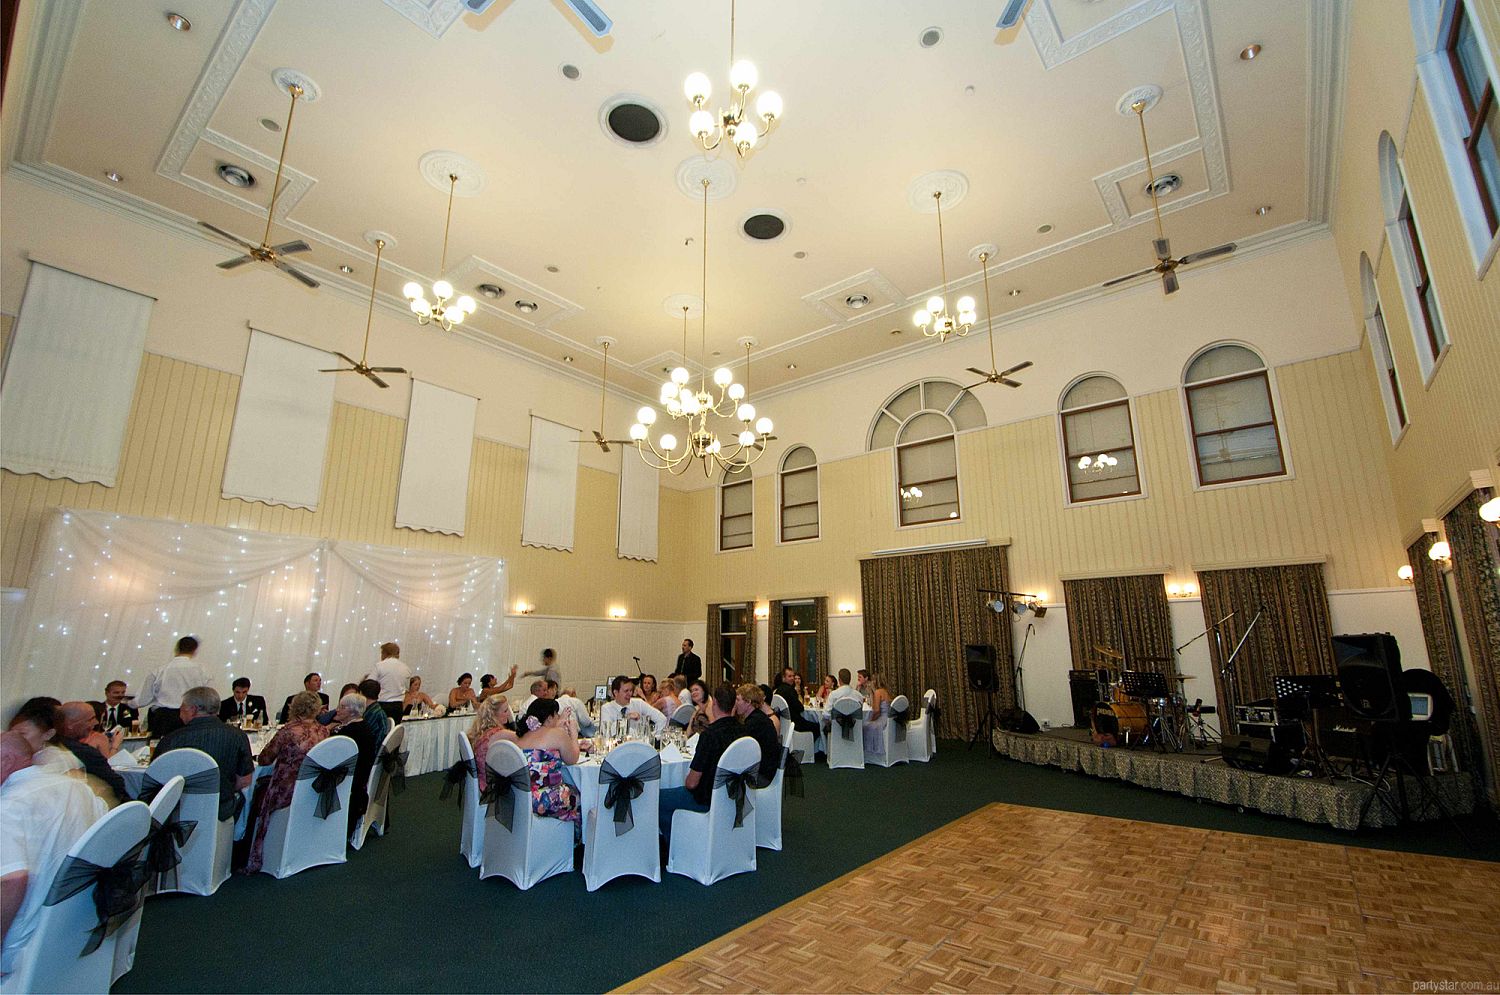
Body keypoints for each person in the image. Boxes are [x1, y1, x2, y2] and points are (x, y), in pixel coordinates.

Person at [0, 739, 107, 976]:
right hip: (76, 918)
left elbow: (13, 881)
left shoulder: (8, 806)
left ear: (6, 761)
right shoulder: (77, 787)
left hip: (23, 936)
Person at [246, 692, 329, 874]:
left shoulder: (288, 731)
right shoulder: (323, 731)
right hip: (314, 787)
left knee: (256, 792)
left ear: (295, 707)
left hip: (286, 790)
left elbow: (265, 760)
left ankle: (251, 850)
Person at [658, 684, 751, 837]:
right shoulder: (745, 732)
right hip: (734, 794)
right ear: (733, 705)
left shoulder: (710, 736)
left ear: (714, 703)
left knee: (658, 799)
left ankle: (675, 845)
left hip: (707, 799)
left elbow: (692, 783)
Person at [158, 685, 253, 822]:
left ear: (193, 710)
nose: (180, 714)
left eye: (181, 709)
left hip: (180, 812)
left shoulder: (171, 740)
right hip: (221, 810)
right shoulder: (237, 736)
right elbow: (245, 780)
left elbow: (158, 779)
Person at [513, 698, 580, 823]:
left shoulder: (522, 737)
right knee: (581, 794)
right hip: (545, 799)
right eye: (556, 715)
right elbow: (572, 759)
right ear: (549, 718)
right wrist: (574, 735)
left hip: (521, 798)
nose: (558, 718)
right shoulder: (557, 734)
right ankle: (576, 838)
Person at [138, 635, 214, 738]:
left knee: (163, 750)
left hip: (164, 718)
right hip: (191, 716)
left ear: (177, 649)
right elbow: (209, 697)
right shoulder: (202, 671)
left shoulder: (160, 670)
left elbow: (143, 699)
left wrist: (128, 702)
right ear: (194, 650)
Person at [56, 701, 129, 805]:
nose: (96, 723)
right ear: (70, 725)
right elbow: (116, 783)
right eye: (90, 719)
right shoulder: (84, 752)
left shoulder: (51, 745)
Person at [327, 693, 379, 837]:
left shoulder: (349, 732)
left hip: (349, 779)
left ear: (352, 711)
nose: (337, 710)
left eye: (342, 707)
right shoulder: (363, 727)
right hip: (359, 776)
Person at [467, 696, 517, 792]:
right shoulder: (499, 733)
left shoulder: (481, 731)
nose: (508, 714)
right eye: (505, 711)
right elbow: (524, 740)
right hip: (492, 784)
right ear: (494, 714)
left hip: (482, 777)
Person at [736, 684, 783, 785]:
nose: (735, 703)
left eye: (738, 700)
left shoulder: (754, 723)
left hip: (762, 775)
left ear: (748, 702)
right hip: (767, 769)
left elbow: (739, 747)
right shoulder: (758, 717)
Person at [599, 676, 667, 733]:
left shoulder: (639, 703)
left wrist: (653, 737)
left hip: (638, 745)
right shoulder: (606, 708)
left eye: (631, 690)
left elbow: (662, 719)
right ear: (616, 692)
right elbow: (606, 731)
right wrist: (626, 719)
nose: (630, 694)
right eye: (626, 691)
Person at [366, 642, 412, 724]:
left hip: (382, 704)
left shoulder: (380, 666)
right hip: (398, 706)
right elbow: (406, 688)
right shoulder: (406, 668)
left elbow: (369, 685)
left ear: (385, 653)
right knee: (393, 731)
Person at [772, 667, 819, 738]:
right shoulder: (790, 690)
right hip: (795, 724)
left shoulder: (778, 690)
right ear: (784, 678)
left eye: (793, 676)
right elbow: (800, 708)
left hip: (782, 723)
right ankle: (808, 746)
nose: (792, 678)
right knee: (817, 727)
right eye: (789, 676)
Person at [863, 674, 894, 757]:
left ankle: (869, 752)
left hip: (882, 719)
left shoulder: (878, 692)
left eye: (873, 680)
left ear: (875, 681)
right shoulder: (887, 691)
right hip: (889, 718)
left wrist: (871, 720)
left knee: (865, 725)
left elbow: (876, 711)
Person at [357, 680, 390, 746]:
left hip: (369, 750)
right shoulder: (377, 710)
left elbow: (361, 736)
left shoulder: (371, 714)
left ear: (361, 693)